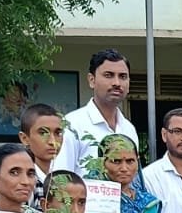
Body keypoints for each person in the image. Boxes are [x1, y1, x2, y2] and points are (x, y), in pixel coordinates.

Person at [54, 49, 136, 177]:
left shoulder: (129, 129)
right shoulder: (72, 125)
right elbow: (61, 178)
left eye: (123, 76)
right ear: (92, 80)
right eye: (108, 75)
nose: (117, 83)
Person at [18, 102, 65, 199]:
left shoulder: (60, 180)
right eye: (43, 133)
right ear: (24, 138)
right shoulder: (23, 182)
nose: (52, 141)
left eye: (58, 133)